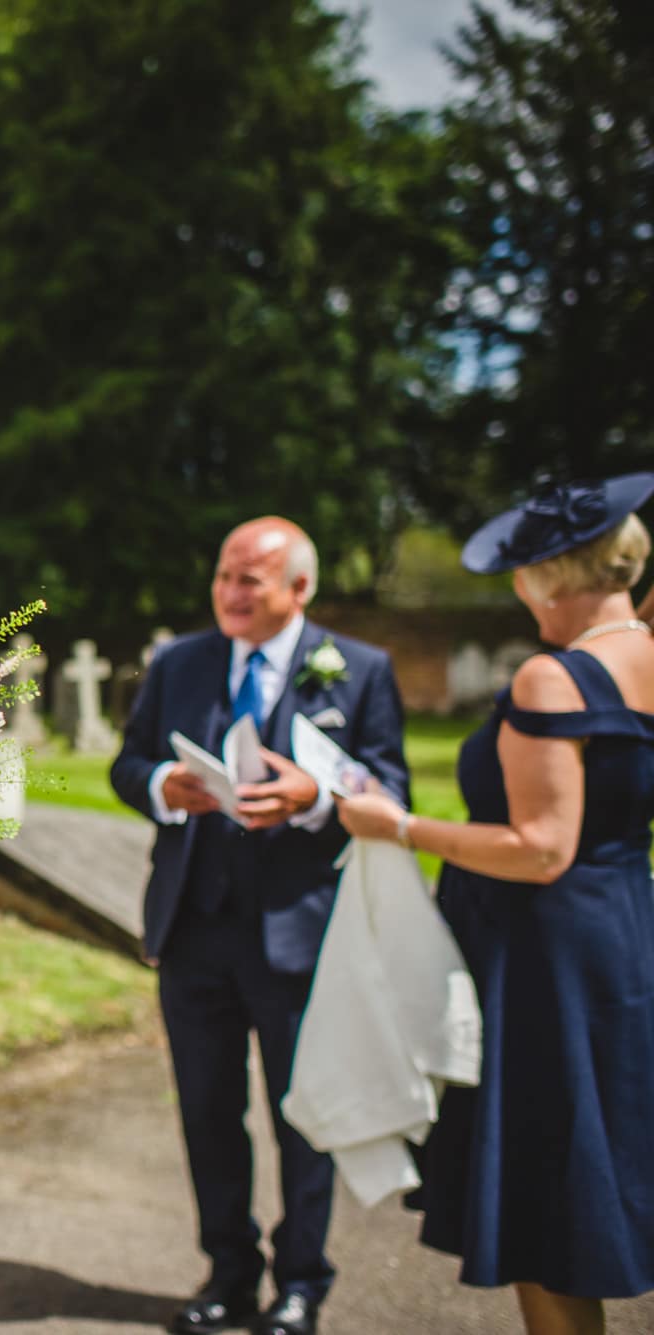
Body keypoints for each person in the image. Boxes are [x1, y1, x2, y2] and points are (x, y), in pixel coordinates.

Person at [340, 474, 654, 1335]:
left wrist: (396, 823)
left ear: (553, 573)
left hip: (547, 963)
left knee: (546, 1207)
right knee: (610, 1160)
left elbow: (541, 847)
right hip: (626, 925)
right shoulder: (648, 654)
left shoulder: (554, 680)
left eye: (521, 568)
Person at [110, 518, 409, 1335]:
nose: (232, 593)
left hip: (300, 933)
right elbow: (127, 764)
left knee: (301, 1116)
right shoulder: (180, 662)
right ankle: (230, 1272)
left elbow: (391, 789)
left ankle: (303, 1280)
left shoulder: (361, 670)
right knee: (207, 1111)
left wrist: (315, 800)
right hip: (194, 928)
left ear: (299, 589)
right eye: (224, 576)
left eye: (252, 580)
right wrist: (167, 784)